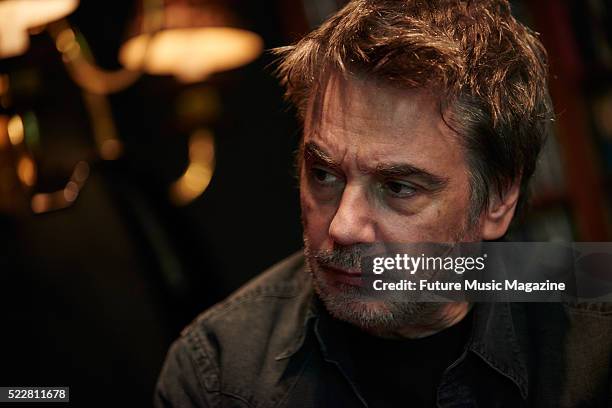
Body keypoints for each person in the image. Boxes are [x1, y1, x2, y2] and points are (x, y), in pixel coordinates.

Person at [154, 1, 612, 406]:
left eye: (398, 187)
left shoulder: (596, 320)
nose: (344, 227)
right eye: (324, 174)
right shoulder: (218, 373)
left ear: (497, 200)